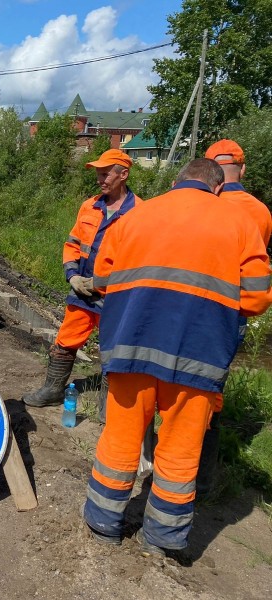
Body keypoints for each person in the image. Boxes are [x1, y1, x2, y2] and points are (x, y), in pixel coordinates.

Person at [82, 158, 272, 557]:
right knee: (180, 449)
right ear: (218, 188)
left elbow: (101, 280)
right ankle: (162, 539)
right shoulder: (240, 224)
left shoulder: (136, 216)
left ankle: (103, 523)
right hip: (197, 356)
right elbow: (256, 298)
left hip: (131, 348)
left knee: (120, 438)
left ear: (175, 182)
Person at [23, 149, 141, 423]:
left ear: (123, 174)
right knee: (66, 340)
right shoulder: (89, 206)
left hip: (117, 296)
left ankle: (109, 411)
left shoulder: (141, 213)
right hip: (82, 293)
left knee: (114, 350)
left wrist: (108, 282)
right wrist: (73, 275)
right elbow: (73, 244)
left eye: (105, 173)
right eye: (98, 174)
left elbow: (140, 260)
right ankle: (53, 390)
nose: (100, 179)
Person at [195, 139, 272, 496]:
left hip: (187, 308)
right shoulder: (259, 212)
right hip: (230, 316)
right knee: (211, 389)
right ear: (242, 169)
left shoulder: (200, 205)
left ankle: (160, 458)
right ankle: (203, 479)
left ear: (208, 169)